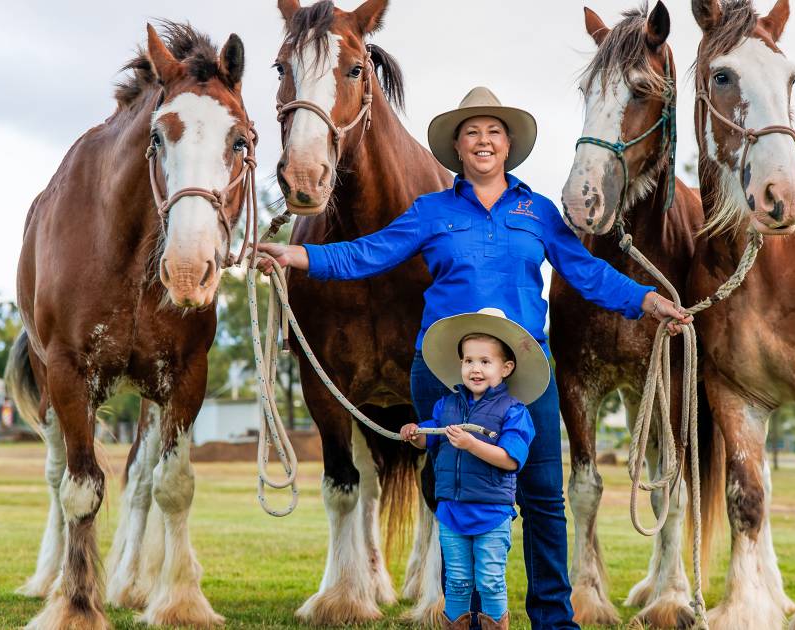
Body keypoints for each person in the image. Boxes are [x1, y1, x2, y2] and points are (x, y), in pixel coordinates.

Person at [257, 86, 691, 628]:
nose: (482, 142)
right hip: (443, 375)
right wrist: (297, 255)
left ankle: (553, 618)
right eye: (471, 134)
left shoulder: (539, 213)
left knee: (541, 500)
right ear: (457, 149)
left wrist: (646, 299)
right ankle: (467, 614)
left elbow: (586, 272)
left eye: (493, 132)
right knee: (456, 501)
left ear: (508, 145)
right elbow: (367, 253)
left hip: (523, 375)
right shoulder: (431, 211)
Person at [400, 308, 550, 630]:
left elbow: (511, 459)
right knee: (456, 582)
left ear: (506, 367)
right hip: (452, 512)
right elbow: (429, 440)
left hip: (491, 514)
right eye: (469, 361)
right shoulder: (447, 406)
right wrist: (414, 433)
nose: (475, 369)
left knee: (491, 581)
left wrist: (472, 445)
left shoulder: (514, 412)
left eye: (485, 361)